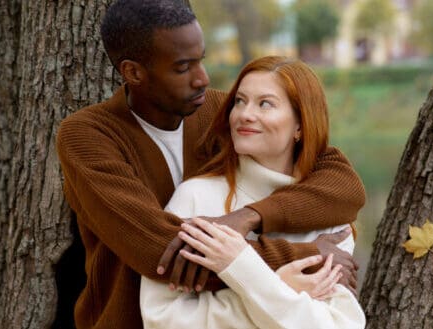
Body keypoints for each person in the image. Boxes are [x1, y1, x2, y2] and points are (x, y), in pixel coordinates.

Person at [55, 1, 366, 328]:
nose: (202, 79)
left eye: (200, 61)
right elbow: (164, 253)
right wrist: (308, 257)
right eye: (182, 67)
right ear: (133, 72)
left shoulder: (221, 114)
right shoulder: (88, 136)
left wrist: (247, 217)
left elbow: (341, 183)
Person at [140, 56, 366, 329]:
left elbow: (339, 325)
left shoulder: (328, 211)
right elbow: (161, 318)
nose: (245, 114)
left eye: (265, 104)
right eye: (240, 101)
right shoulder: (196, 196)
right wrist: (279, 288)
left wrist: (242, 266)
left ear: (300, 126)